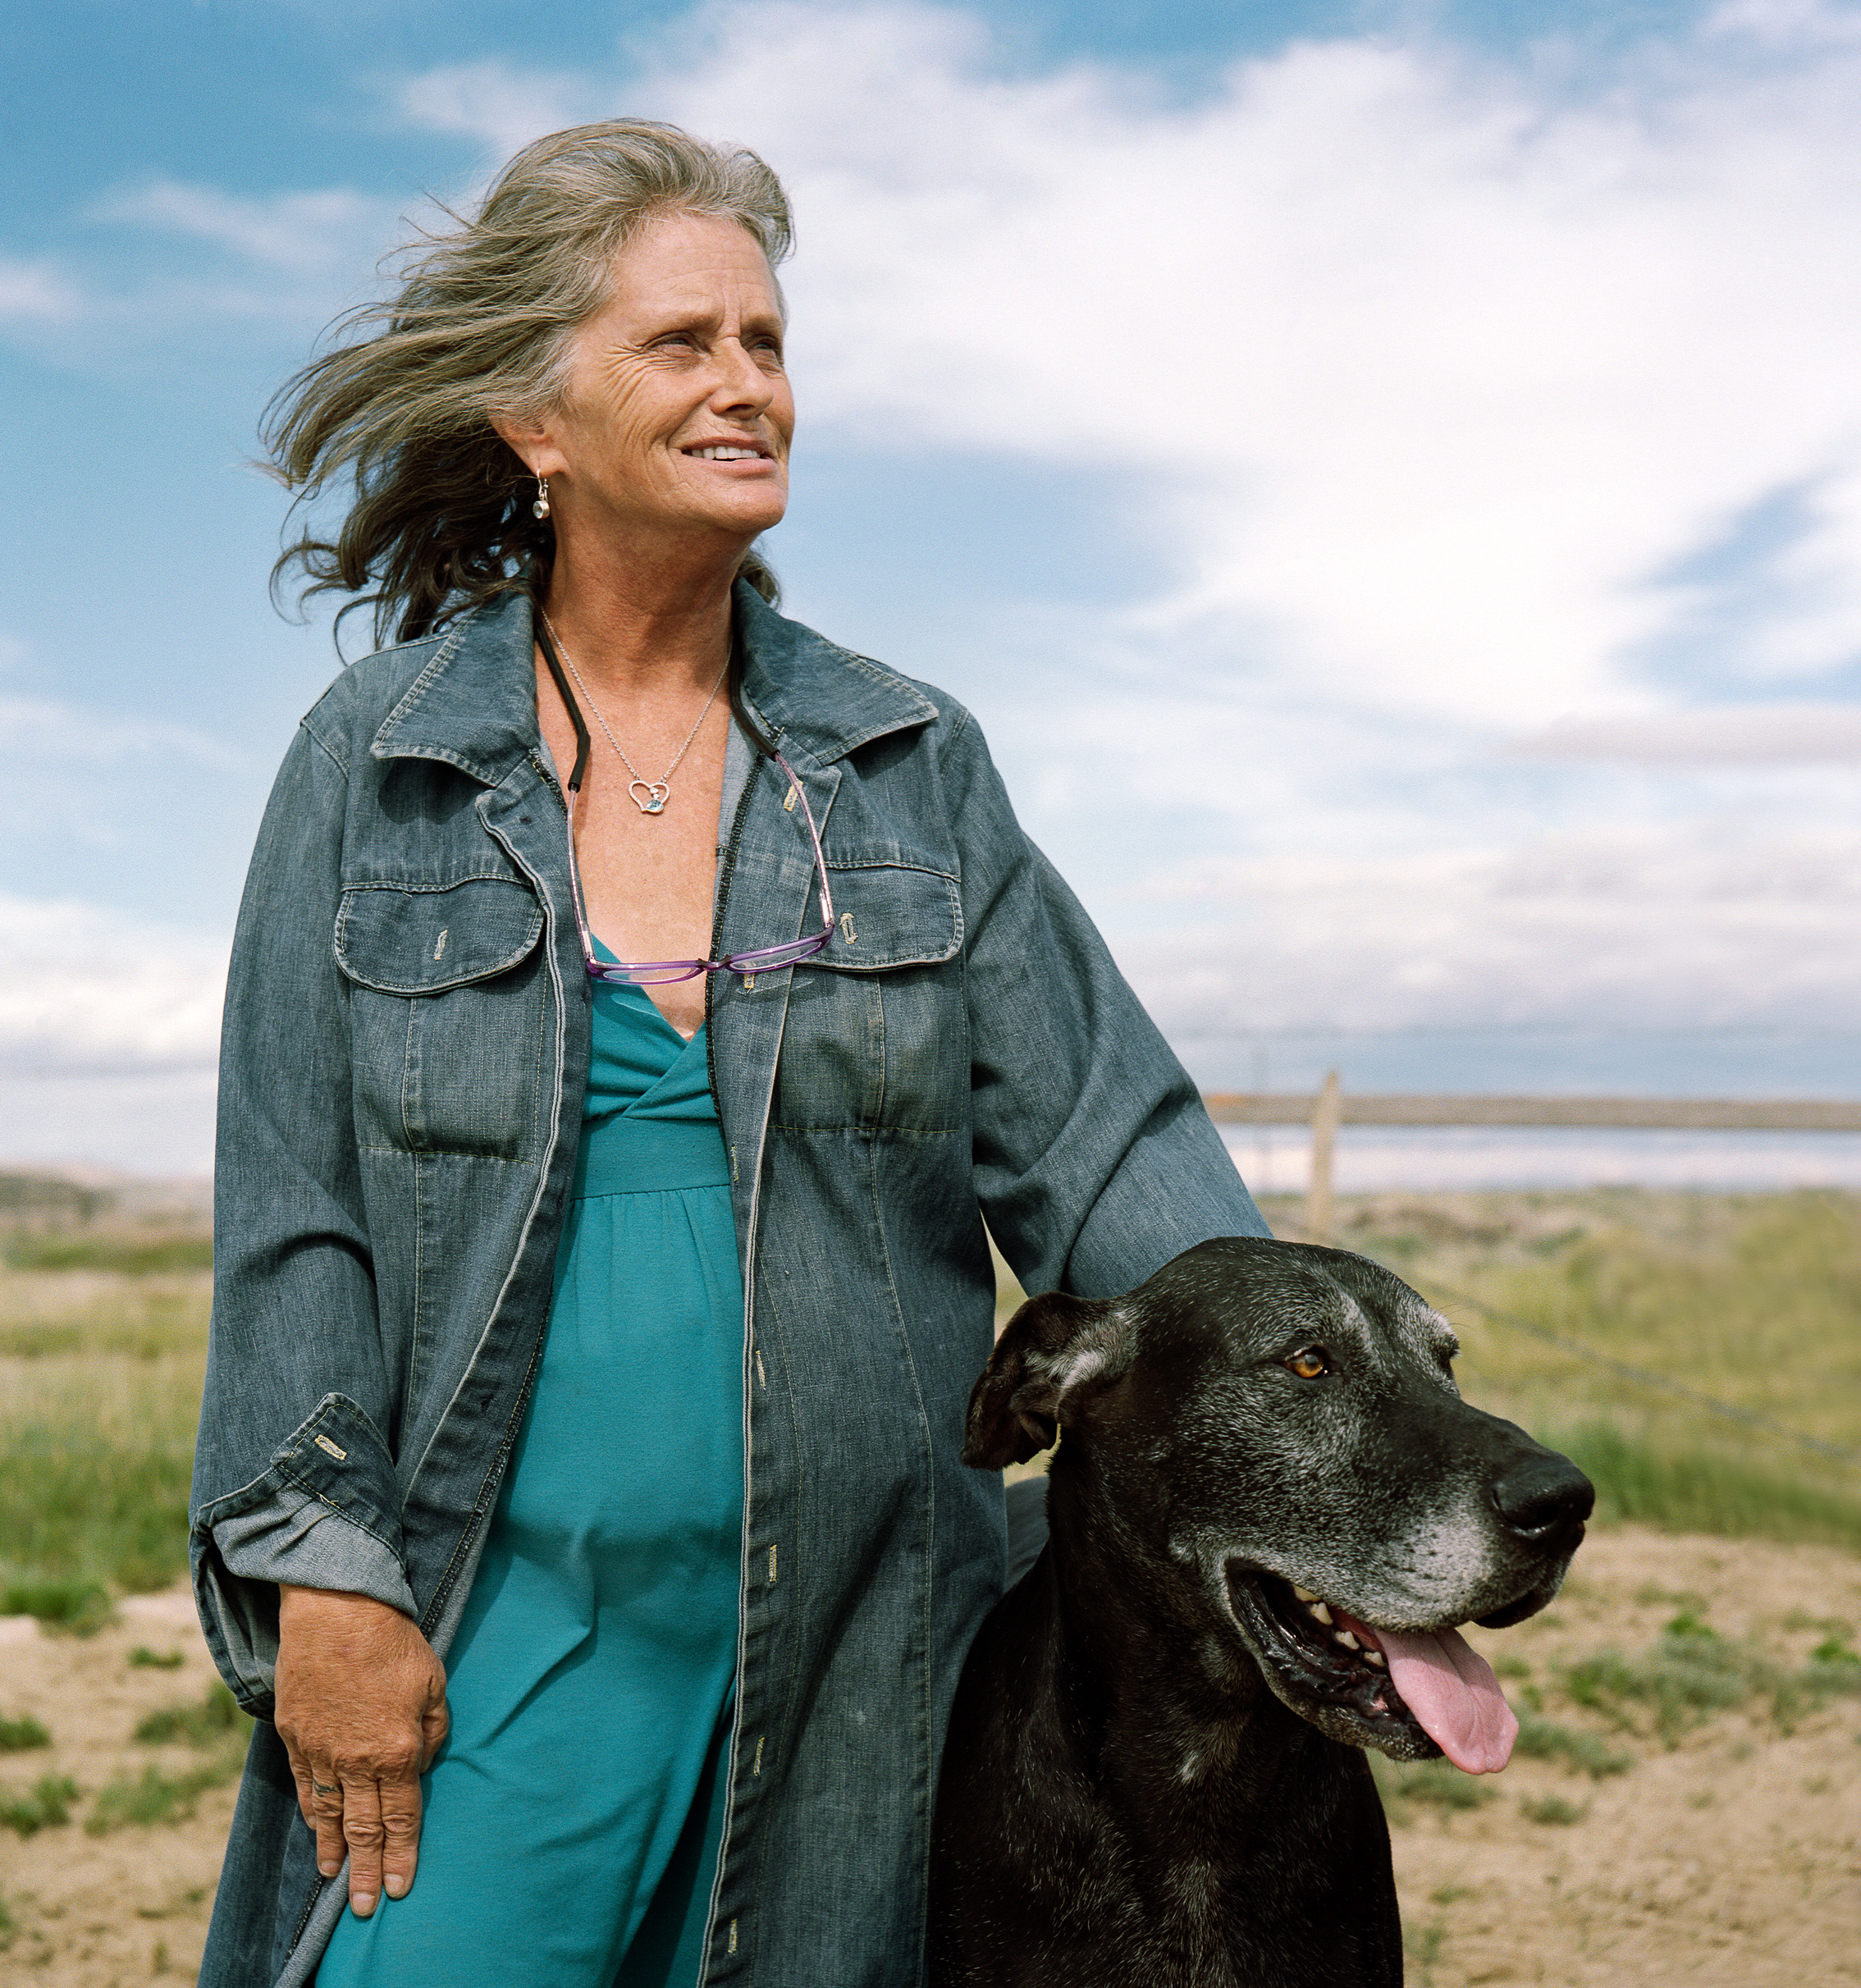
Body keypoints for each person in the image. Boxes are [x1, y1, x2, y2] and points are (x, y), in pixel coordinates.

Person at [189, 120, 1266, 1988]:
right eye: (680, 344)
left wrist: (1293, 1428)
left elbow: (1114, 1157)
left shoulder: (908, 763)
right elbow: (295, 1215)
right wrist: (320, 1576)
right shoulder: (378, 765)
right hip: (499, 1635)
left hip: (868, 1654)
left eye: (764, 343)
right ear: (537, 417)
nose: (745, 386)